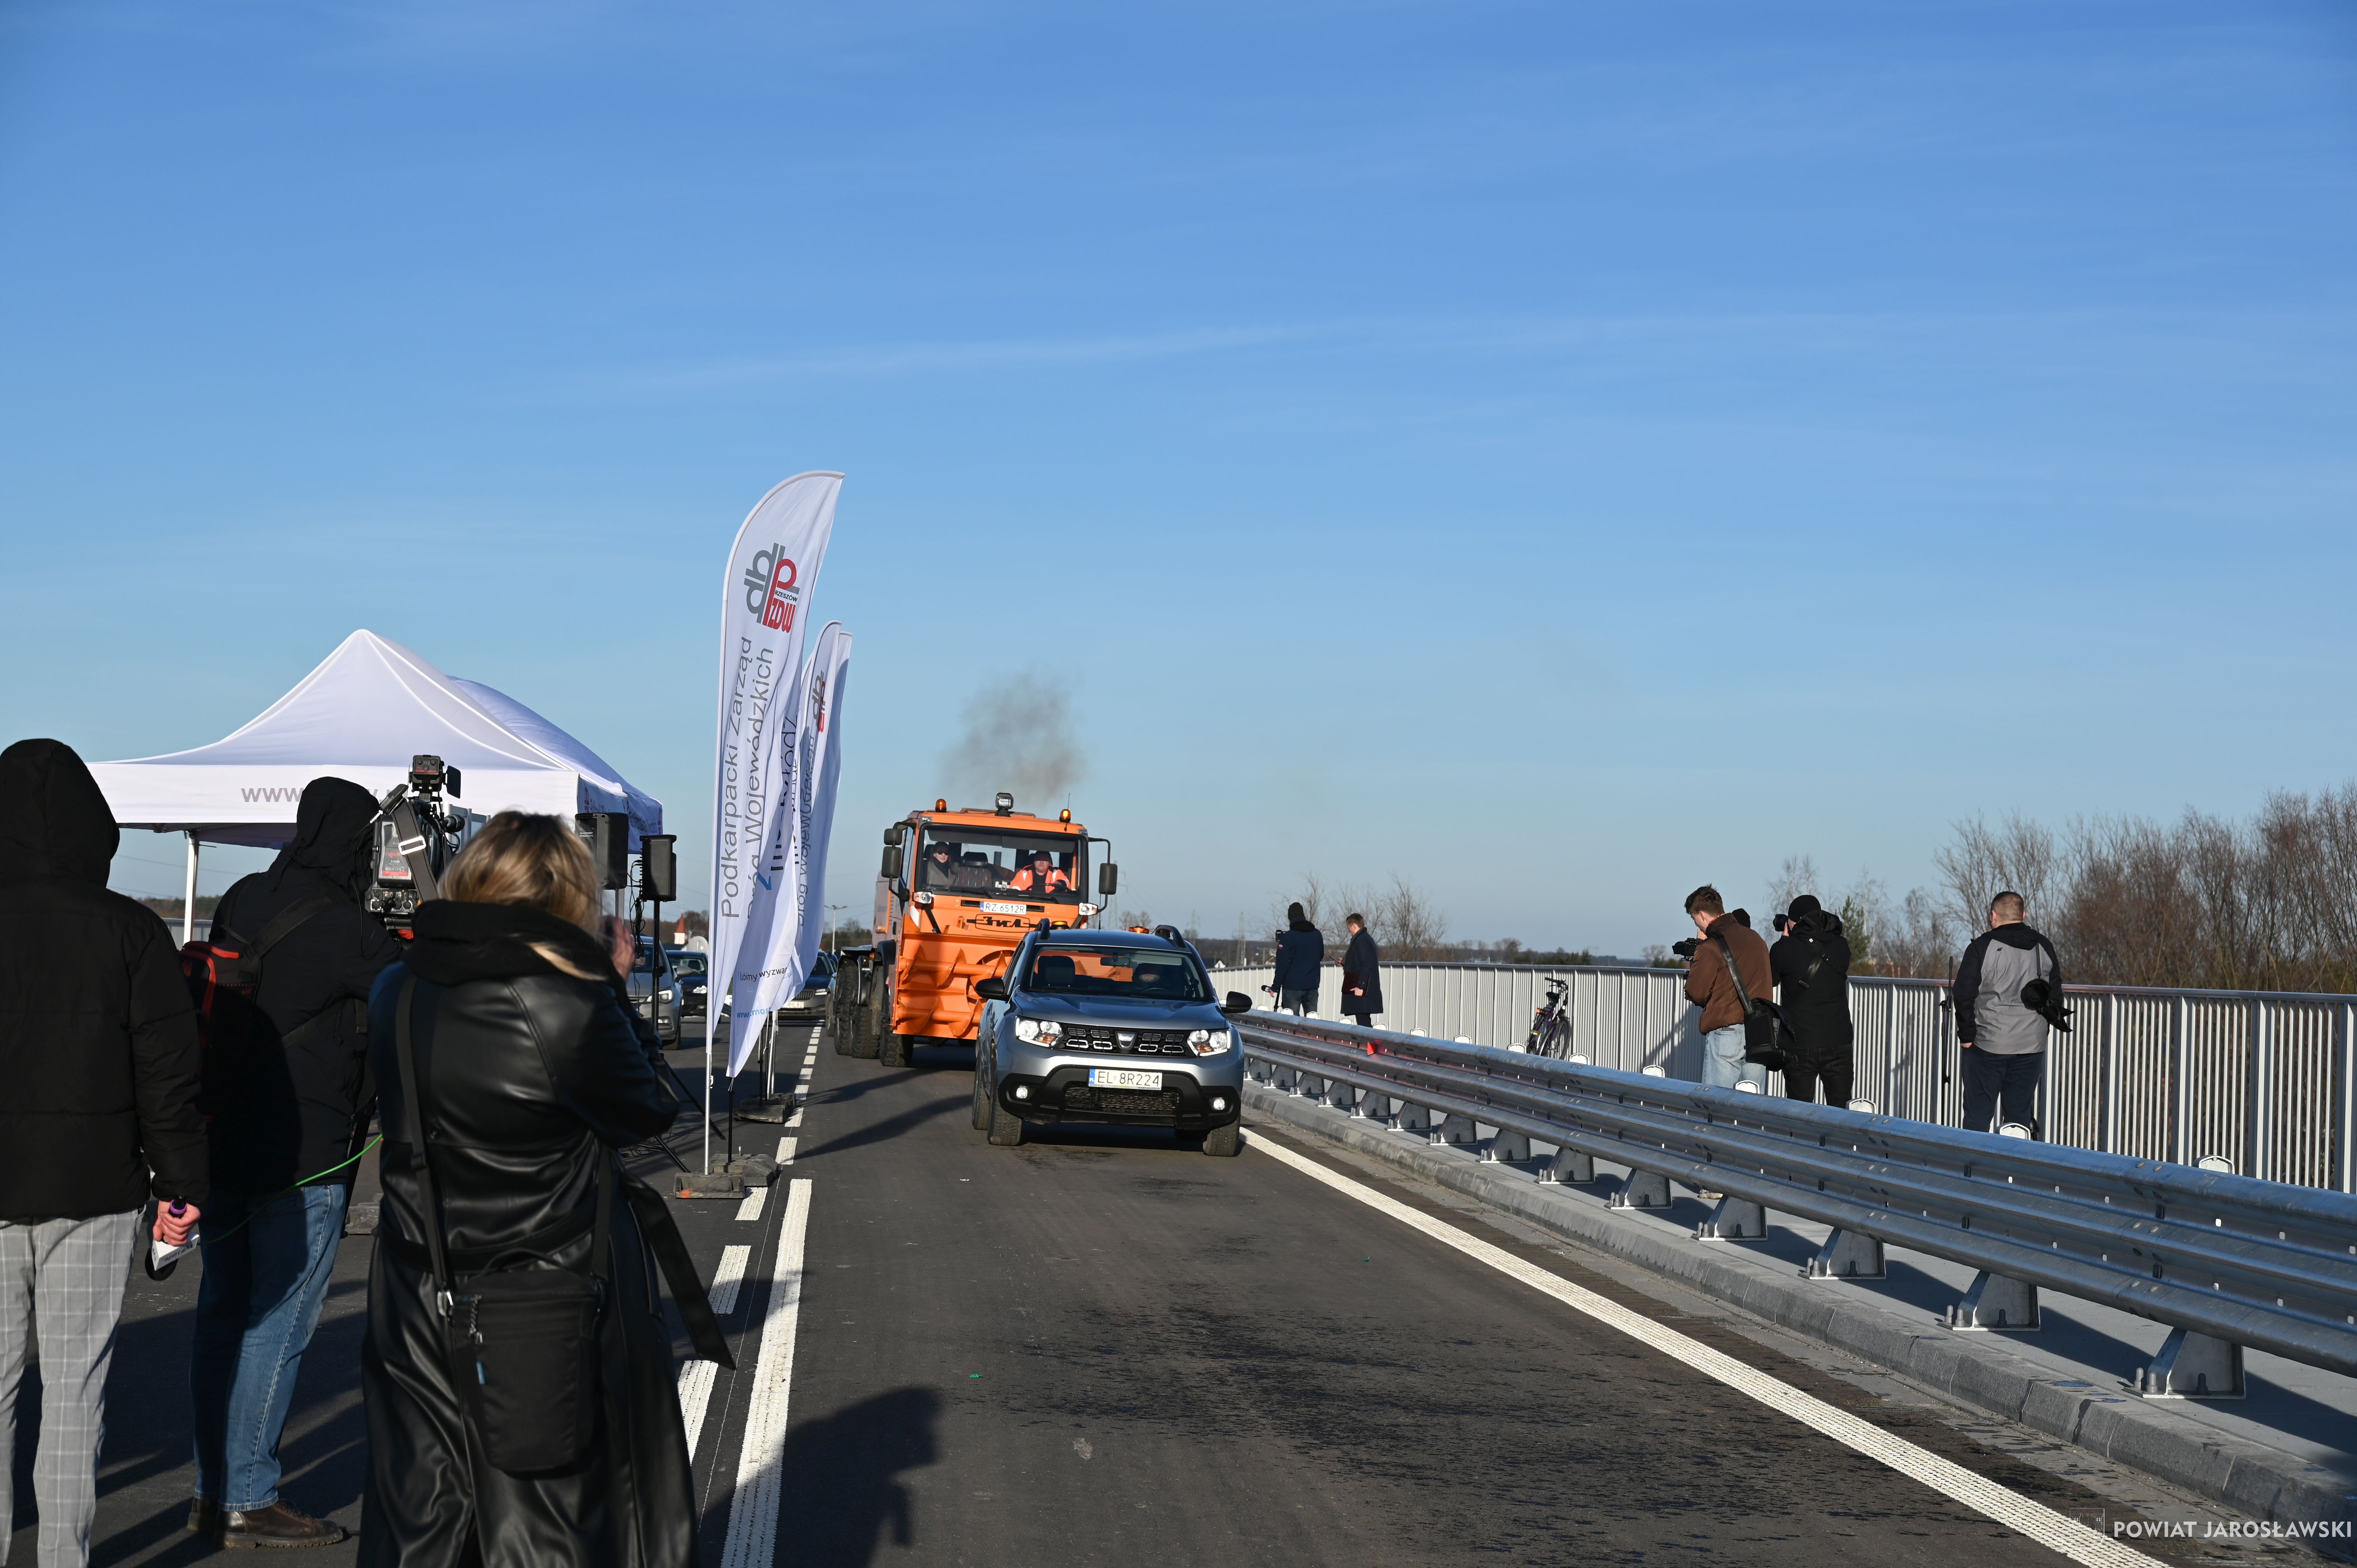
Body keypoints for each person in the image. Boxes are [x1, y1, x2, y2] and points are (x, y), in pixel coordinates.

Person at [359, 812, 699, 1568]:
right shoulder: (562, 1002)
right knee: (553, 1518)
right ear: (568, 895)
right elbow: (648, 1106)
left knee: (422, 1515)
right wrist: (609, 982)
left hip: (415, 1287)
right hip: (548, 1296)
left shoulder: (395, 988)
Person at [0, 739, 207, 1568]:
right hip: (95, 1186)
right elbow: (168, 1071)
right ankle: (62, 1556)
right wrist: (181, 1180)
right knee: (74, 1390)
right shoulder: (132, 930)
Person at [189, 777, 402, 1548]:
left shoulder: (244, 896)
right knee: (277, 1325)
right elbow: (413, 994)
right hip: (305, 1156)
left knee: (223, 1313)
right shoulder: (350, 927)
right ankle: (249, 1494)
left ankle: (216, 1488)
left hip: (223, 1142)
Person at [1955, 890, 2062, 1138]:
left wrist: (1967, 1035)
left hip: (1988, 1043)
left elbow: (1963, 993)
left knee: (1978, 1117)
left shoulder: (1982, 947)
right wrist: (2041, 1031)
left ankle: (1975, 1161)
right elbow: (2055, 996)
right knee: (2018, 1118)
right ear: (2023, 915)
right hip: (2031, 1045)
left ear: (1993, 915)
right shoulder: (2044, 946)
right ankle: (2014, 1162)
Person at [1681, 884, 1772, 1091]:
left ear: (1702, 914)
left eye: (1694, 918)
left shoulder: (1711, 946)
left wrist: (1699, 951)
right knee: (1753, 1103)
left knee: (1717, 1102)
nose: (1697, 924)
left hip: (1727, 1034)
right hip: (1759, 1032)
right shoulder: (1757, 940)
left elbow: (1696, 993)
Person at [1769, 894, 1853, 1107]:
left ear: (1794, 922)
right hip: (1838, 1040)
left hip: (1800, 1043)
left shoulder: (1784, 949)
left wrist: (1784, 941)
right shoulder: (1841, 946)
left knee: (1799, 1112)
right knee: (1841, 1112)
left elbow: (1771, 980)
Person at [1272, 902, 1323, 1015]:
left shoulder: (1289, 937)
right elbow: (1320, 956)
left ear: (1290, 918)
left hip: (1292, 986)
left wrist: (1275, 986)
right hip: (1312, 985)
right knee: (1312, 1020)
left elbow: (1282, 964)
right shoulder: (1317, 935)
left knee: (1291, 1021)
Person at [1341, 913, 1383, 1028]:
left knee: (1364, 1024)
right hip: (1365, 990)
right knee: (1364, 1022)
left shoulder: (1361, 941)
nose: (1349, 931)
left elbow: (1366, 965)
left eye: (1349, 928)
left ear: (1354, 926)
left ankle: (1369, 1040)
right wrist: (1345, 963)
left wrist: (1361, 987)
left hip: (1363, 992)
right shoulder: (1366, 939)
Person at [1005, 847, 1071, 896]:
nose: (1042, 862)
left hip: (1051, 904)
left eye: (1045, 860)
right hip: (1026, 903)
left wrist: (1062, 883)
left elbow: (1067, 883)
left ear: (1050, 863)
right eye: (1039, 859)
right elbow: (1014, 889)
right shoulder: (1023, 874)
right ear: (1034, 861)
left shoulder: (1056, 873)